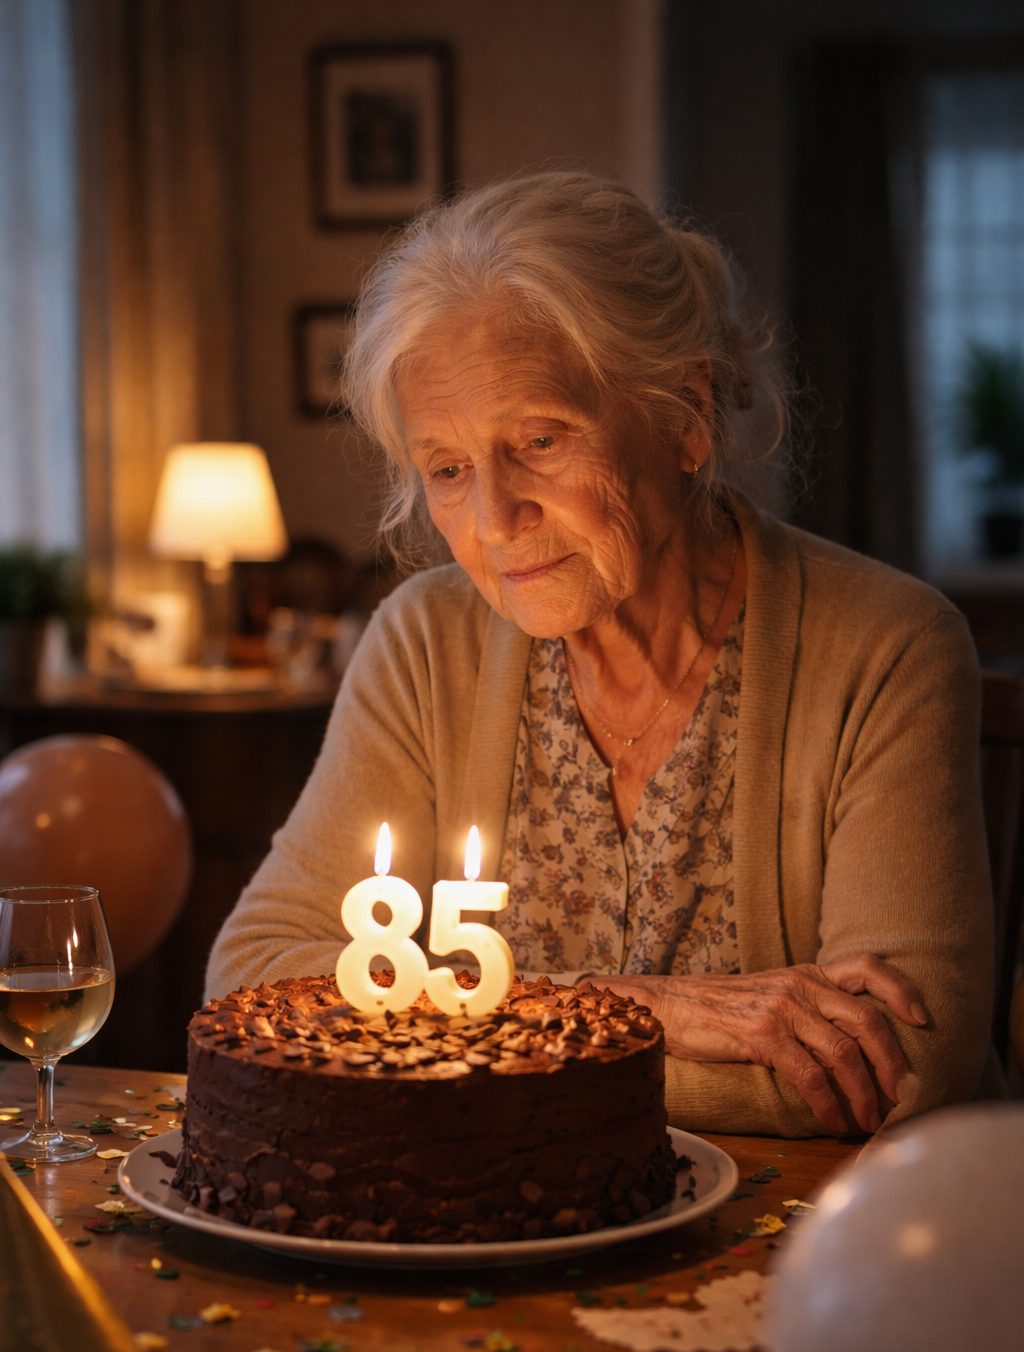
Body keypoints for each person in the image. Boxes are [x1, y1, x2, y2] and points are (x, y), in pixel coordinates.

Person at [208, 169, 997, 1136]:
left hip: (822, 1245)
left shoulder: (886, 647)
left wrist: (447, 1041)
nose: (494, 521)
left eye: (540, 442)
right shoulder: (425, 642)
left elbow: (895, 1064)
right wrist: (643, 1011)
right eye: (447, 470)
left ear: (686, 417)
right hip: (501, 1238)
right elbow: (255, 973)